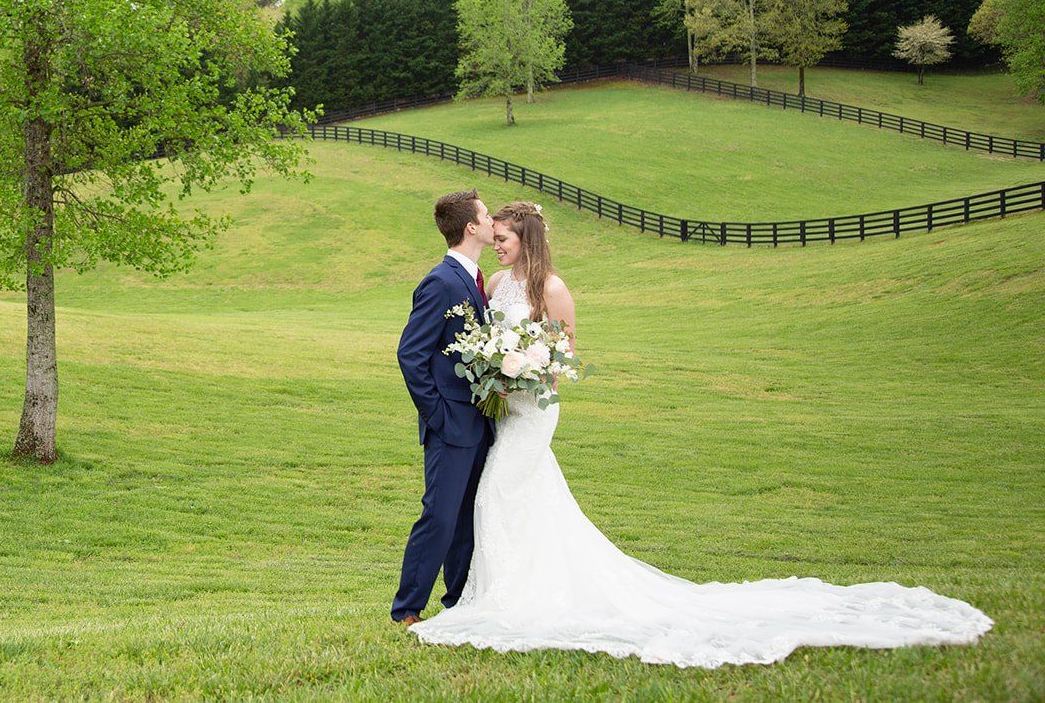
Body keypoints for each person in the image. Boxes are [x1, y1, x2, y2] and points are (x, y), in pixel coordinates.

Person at [407, 200, 993, 667]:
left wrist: (526, 373)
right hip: (505, 414)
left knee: (500, 494)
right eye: (495, 233)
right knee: (515, 499)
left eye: (506, 237)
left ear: (525, 241)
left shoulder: (551, 290)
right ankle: (495, 592)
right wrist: (498, 373)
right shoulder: (497, 287)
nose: (498, 241)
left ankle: (506, 599)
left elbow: (563, 361)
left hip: (533, 410)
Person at [391, 189, 497, 626]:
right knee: (439, 515)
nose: (493, 222)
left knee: (468, 516)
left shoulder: (475, 280)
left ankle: (458, 600)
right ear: (470, 227)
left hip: (481, 422)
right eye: (487, 215)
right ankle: (407, 609)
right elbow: (410, 354)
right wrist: (438, 416)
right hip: (450, 424)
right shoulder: (440, 282)